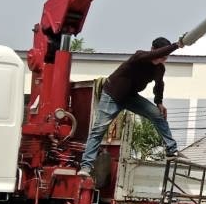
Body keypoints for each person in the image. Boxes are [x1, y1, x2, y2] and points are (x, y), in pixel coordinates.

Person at [78, 37, 182, 176]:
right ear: (152, 50)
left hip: (131, 97)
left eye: (165, 57)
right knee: (98, 130)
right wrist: (177, 45)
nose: (162, 59)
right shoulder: (139, 57)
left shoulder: (159, 69)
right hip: (112, 95)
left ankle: (171, 150)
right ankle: (86, 166)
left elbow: (159, 85)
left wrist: (159, 102)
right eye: (160, 55)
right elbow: (154, 55)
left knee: (157, 114)